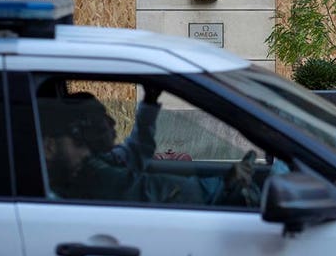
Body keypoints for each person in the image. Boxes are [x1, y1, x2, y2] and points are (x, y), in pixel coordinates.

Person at [40, 86, 260, 205]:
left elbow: (134, 152)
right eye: (96, 120)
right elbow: (155, 189)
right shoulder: (91, 175)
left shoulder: (99, 161)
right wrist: (223, 184)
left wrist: (150, 101)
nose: (111, 123)